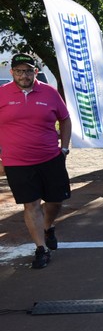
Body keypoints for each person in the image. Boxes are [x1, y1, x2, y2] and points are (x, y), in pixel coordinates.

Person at [0, 54, 72, 268]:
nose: (24, 75)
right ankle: (41, 249)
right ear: (12, 72)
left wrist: (64, 148)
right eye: (19, 71)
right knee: (30, 204)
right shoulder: (2, 94)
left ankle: (48, 226)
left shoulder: (49, 92)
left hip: (50, 158)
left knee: (55, 202)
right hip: (16, 162)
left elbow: (65, 119)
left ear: (35, 72)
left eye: (28, 70)